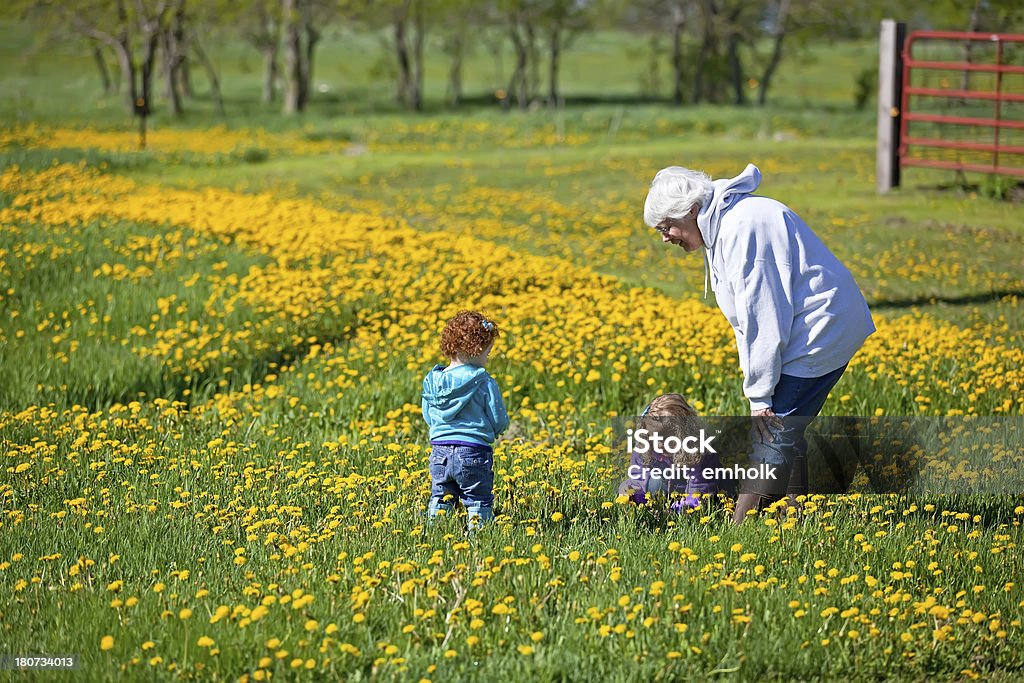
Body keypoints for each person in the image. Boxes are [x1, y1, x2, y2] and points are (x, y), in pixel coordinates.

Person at [643, 164, 875, 523]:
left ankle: (739, 528)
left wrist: (760, 398)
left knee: (772, 432)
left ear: (690, 210)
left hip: (820, 329)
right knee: (784, 427)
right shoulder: (721, 229)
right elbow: (749, 321)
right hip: (806, 327)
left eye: (666, 227)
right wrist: (759, 391)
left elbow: (764, 319)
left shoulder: (742, 229)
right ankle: (797, 514)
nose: (665, 237)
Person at [422, 310, 509, 529]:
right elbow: (498, 417)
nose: (487, 359)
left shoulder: (433, 380)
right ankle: (479, 537)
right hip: (473, 451)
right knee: (478, 499)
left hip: (439, 450)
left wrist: (441, 429)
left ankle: (435, 532)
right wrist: (497, 430)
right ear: (477, 350)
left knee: (441, 496)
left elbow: (428, 413)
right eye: (487, 354)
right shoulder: (484, 381)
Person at [617, 393, 726, 510]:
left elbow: (698, 493)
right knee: (654, 481)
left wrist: (676, 510)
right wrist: (630, 491)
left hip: (692, 497)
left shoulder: (699, 453)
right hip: (665, 496)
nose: (660, 445)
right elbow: (637, 480)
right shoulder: (645, 448)